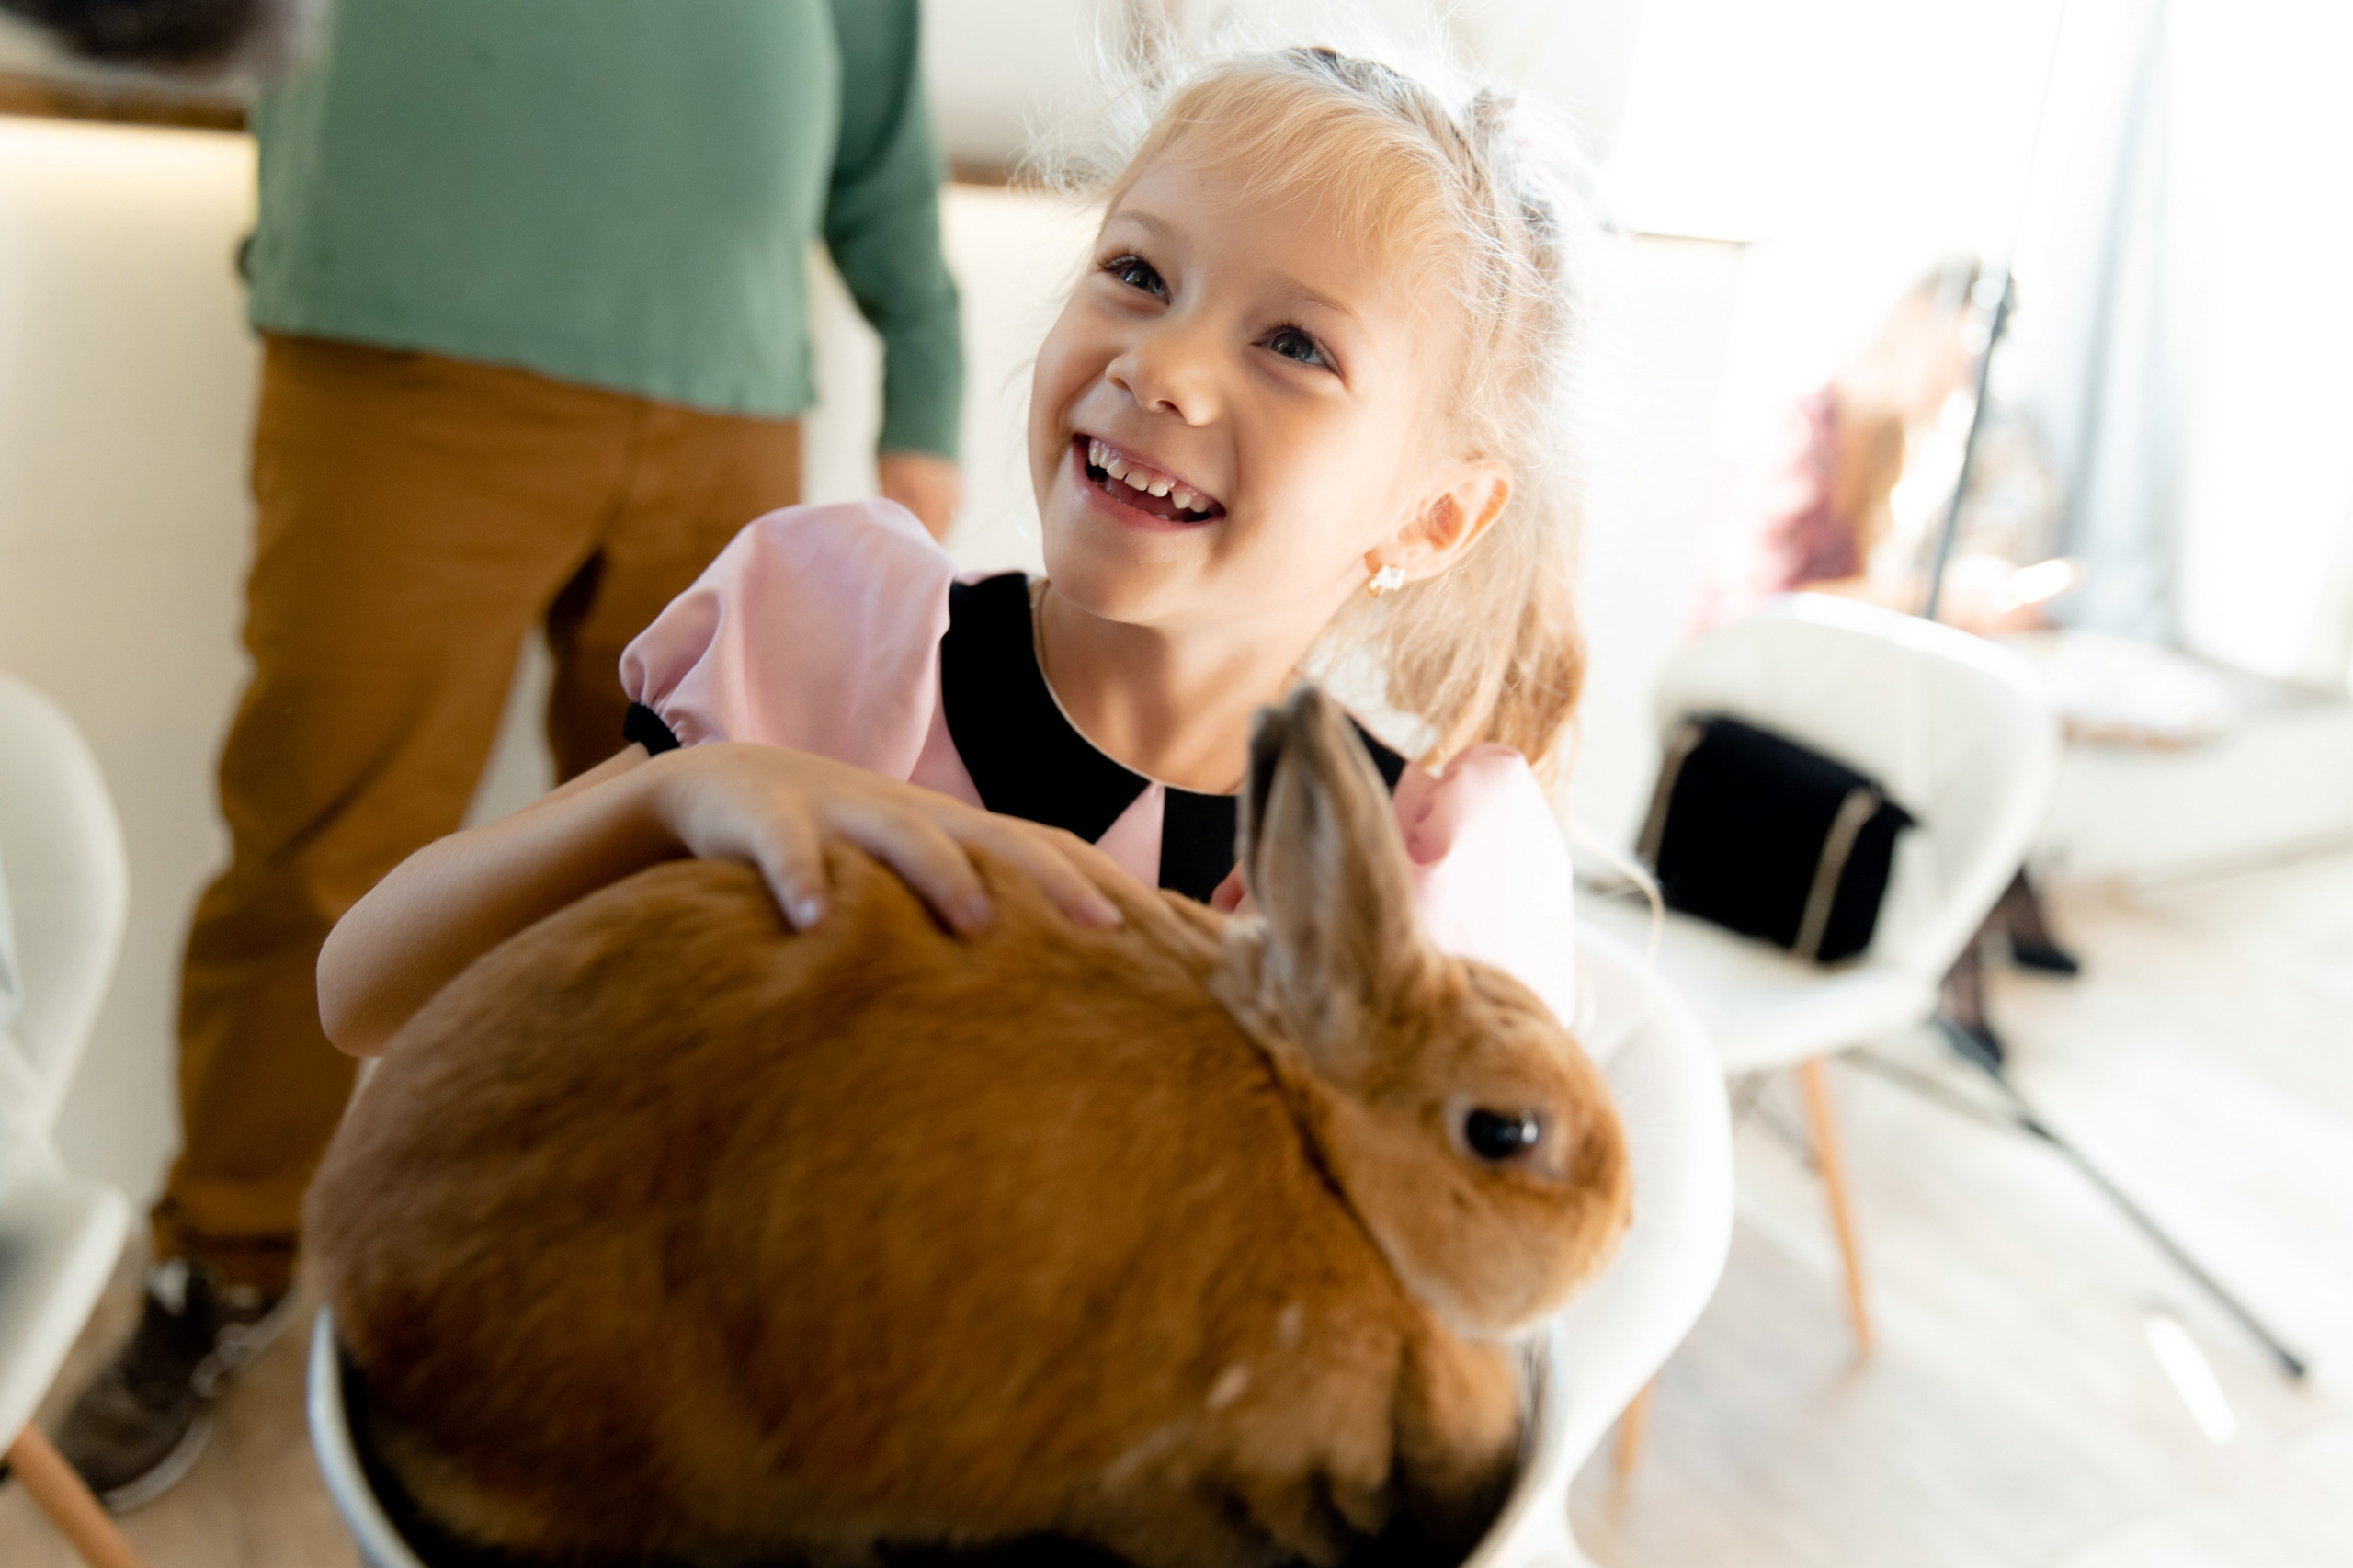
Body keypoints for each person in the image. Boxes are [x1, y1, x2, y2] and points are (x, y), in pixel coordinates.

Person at [315, 35, 1596, 1210]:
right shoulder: (831, 649)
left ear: (1434, 518)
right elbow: (364, 989)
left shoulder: (1424, 887)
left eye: (1296, 347)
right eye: (1138, 273)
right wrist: (695, 791)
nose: (1158, 366)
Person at [59, 0, 964, 1507]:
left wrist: (923, 396)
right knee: (320, 851)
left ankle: (605, 1296)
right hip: (408, 354)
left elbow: (874, 122)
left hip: (731, 393)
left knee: (700, 909)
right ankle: (225, 1262)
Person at [1698, 256, 2065, 634]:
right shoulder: (1803, 434)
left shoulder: (1893, 451)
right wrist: (1937, 594)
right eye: (1960, 364)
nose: (1958, 388)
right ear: (1917, 319)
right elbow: (1765, 611)